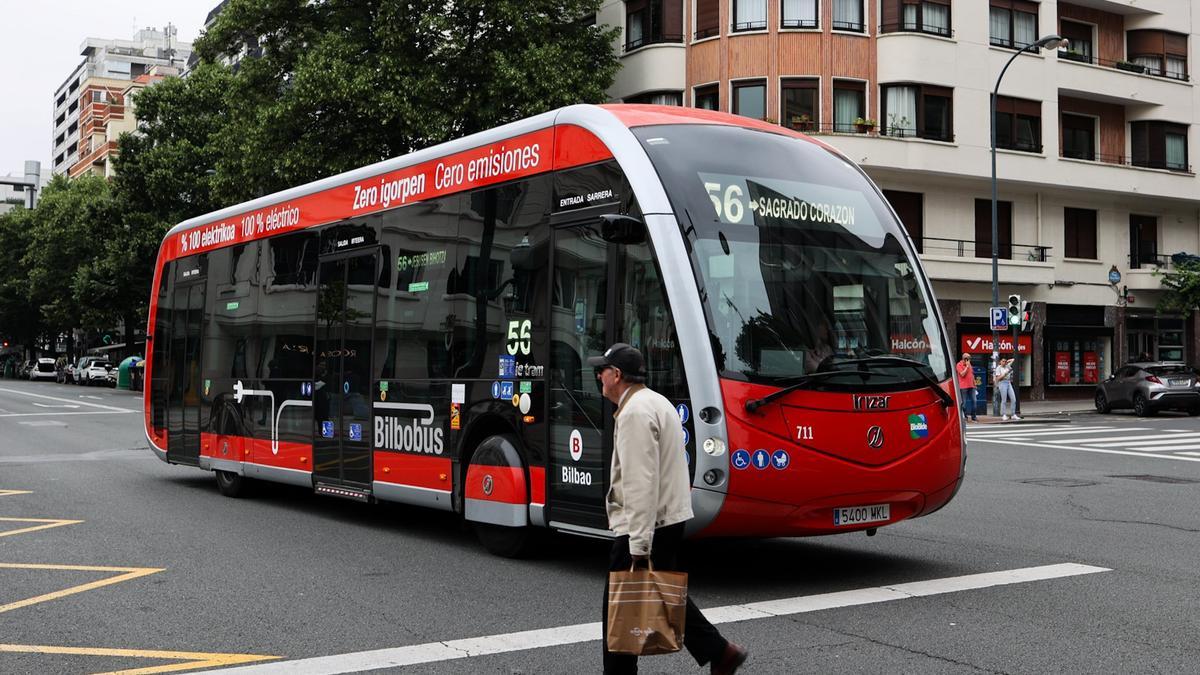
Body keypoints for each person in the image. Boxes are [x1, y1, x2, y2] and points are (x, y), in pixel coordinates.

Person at [589, 343, 749, 675]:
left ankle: (718, 652)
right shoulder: (657, 401)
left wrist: (638, 544)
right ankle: (720, 652)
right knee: (663, 594)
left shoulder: (634, 412)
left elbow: (640, 482)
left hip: (645, 524)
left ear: (616, 375)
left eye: (601, 370)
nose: (598, 376)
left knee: (618, 608)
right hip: (668, 518)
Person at [956, 353, 978, 422]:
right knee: (964, 403)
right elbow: (962, 374)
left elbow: (972, 374)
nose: (969, 359)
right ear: (964, 358)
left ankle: (973, 416)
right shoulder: (959, 365)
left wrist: (975, 384)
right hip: (963, 387)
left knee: (974, 401)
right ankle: (965, 416)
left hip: (971, 386)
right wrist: (967, 367)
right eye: (967, 358)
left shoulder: (969, 364)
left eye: (969, 358)